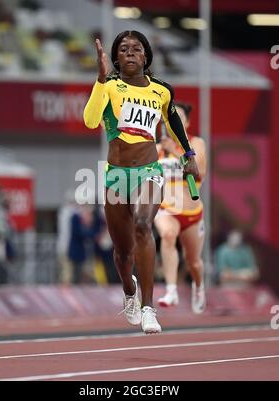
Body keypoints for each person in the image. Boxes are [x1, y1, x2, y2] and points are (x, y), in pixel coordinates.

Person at [83, 31, 199, 334]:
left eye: (137, 49)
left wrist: (189, 155)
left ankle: (149, 308)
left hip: (149, 170)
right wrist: (99, 78)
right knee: (122, 253)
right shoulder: (109, 86)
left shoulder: (161, 91)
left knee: (144, 225)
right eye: (124, 49)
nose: (131, 53)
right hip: (117, 174)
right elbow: (91, 120)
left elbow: (173, 122)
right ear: (117, 58)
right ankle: (129, 290)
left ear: (145, 56)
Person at [154, 103, 207, 313]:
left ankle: (199, 286)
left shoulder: (196, 144)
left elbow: (199, 171)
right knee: (167, 235)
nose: (173, 122)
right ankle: (171, 289)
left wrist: (174, 153)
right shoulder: (159, 149)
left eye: (177, 118)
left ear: (186, 122)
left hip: (192, 211)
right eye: (168, 119)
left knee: (193, 261)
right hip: (166, 208)